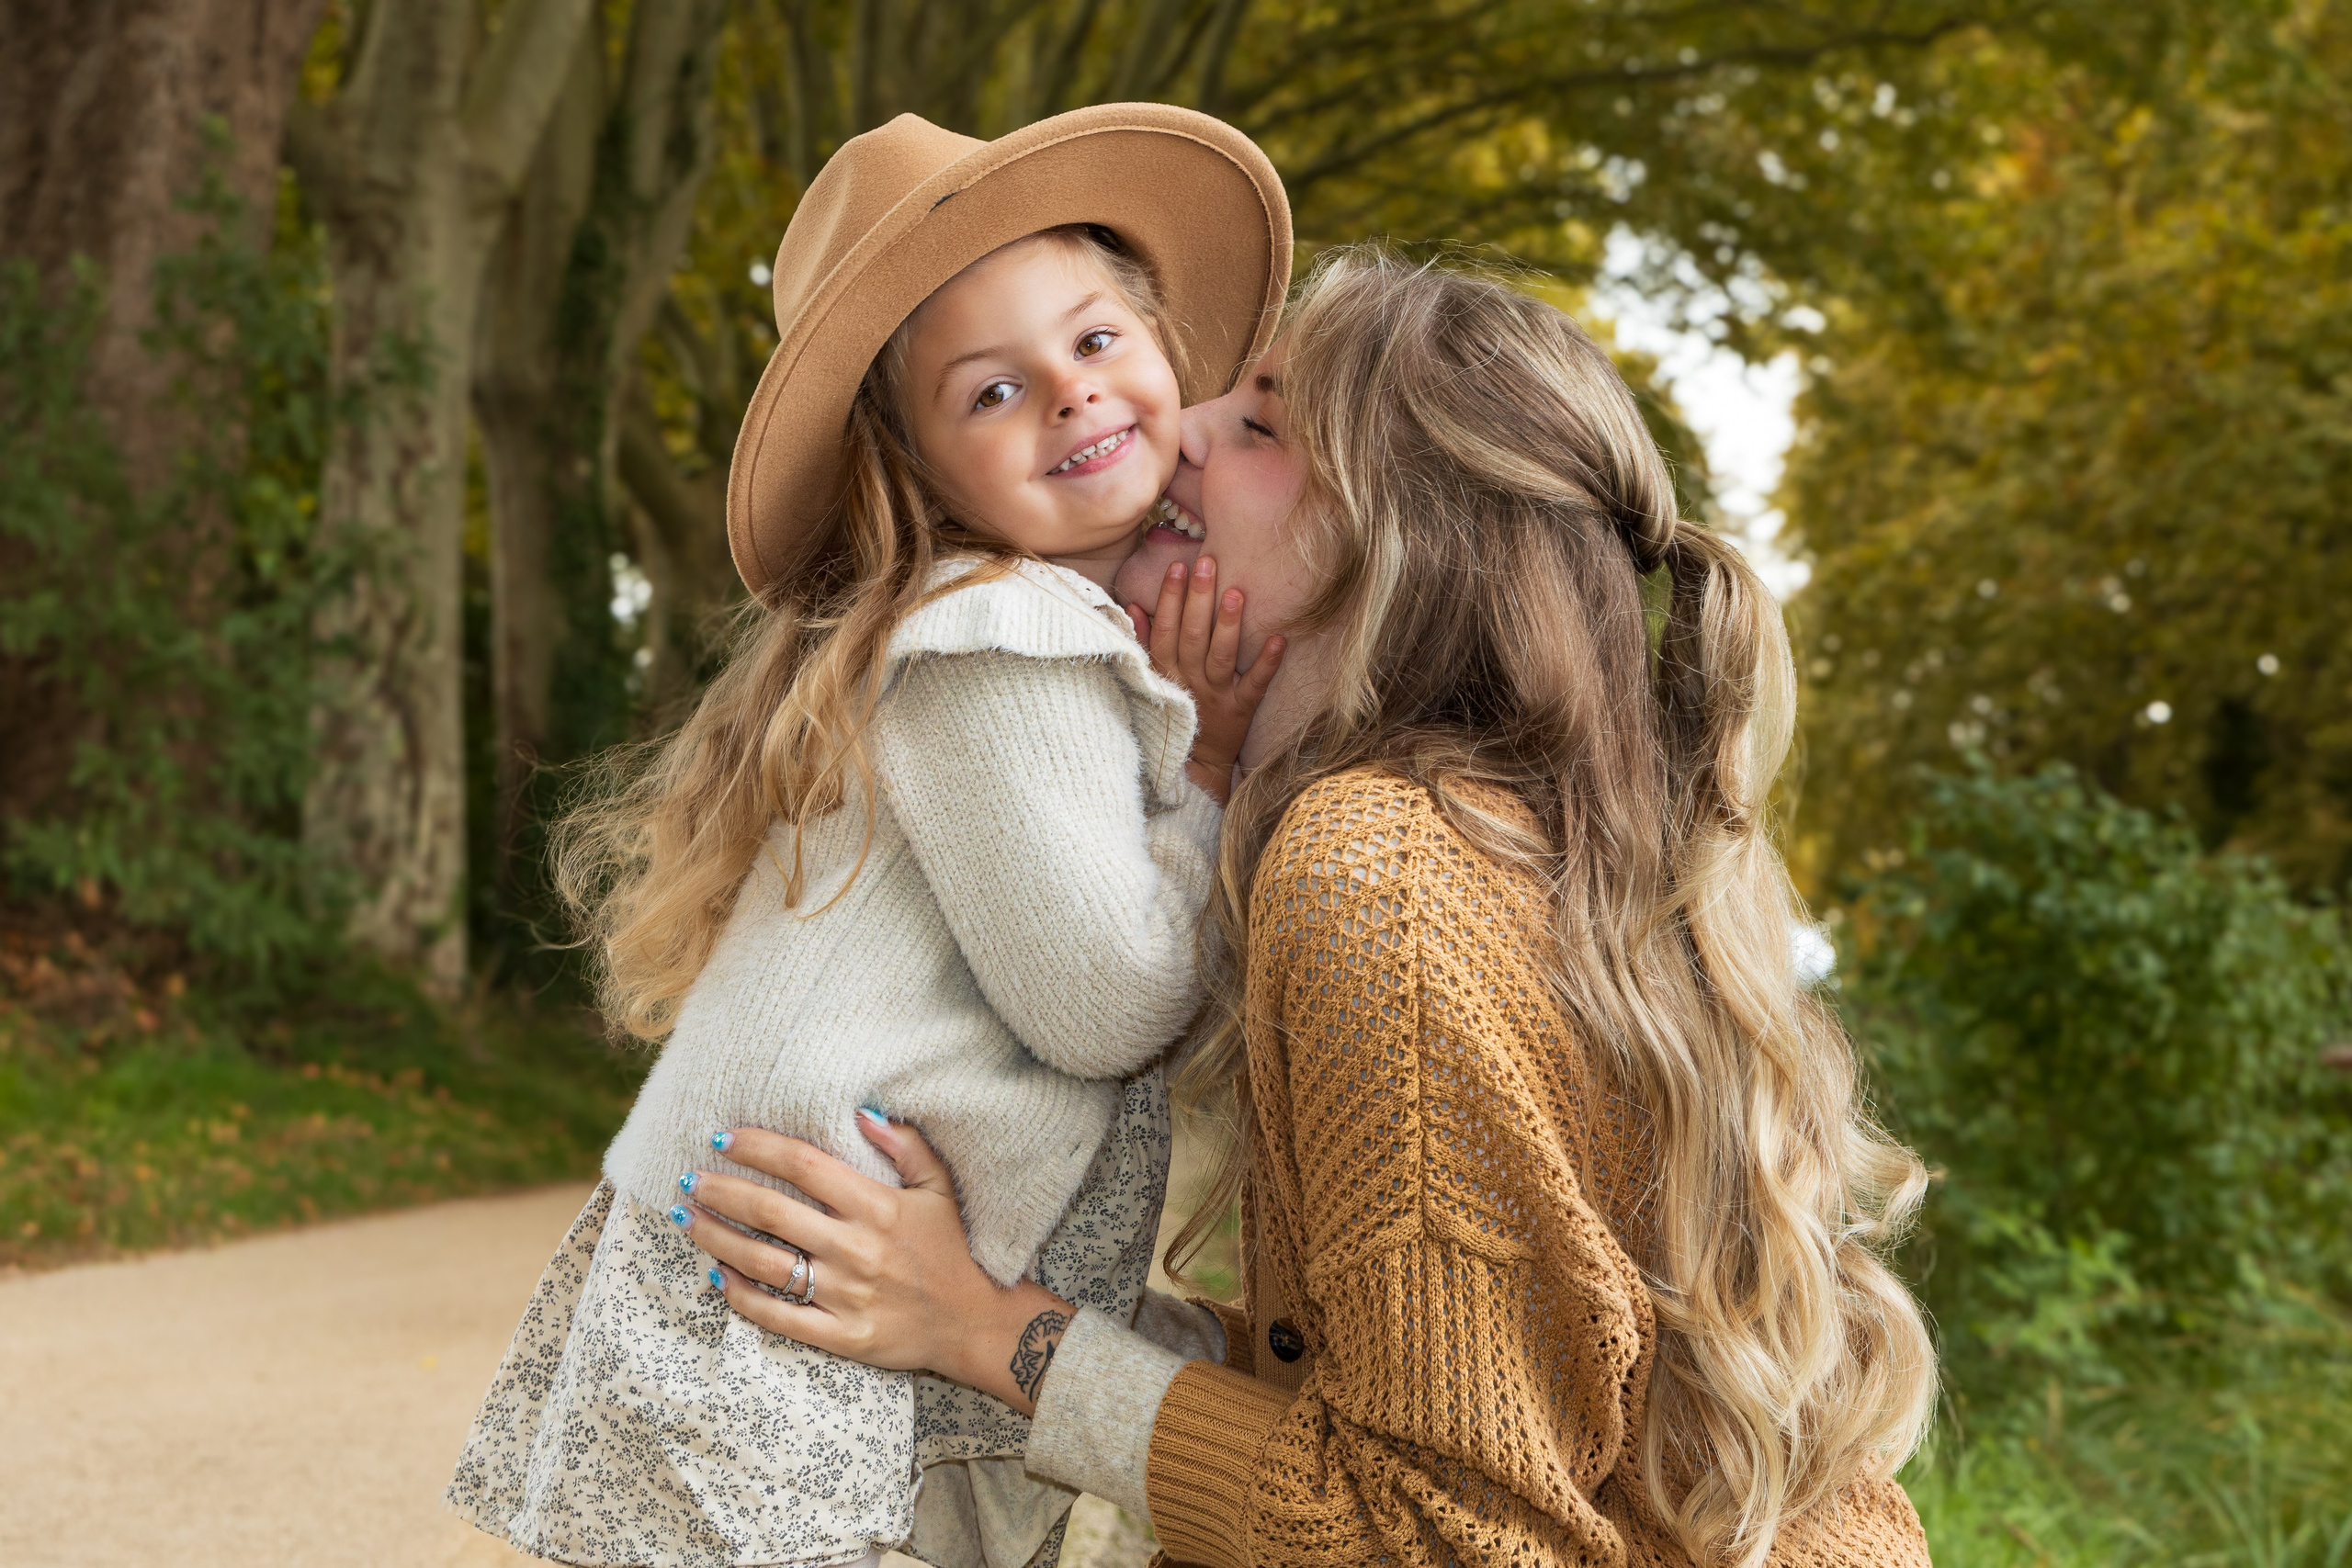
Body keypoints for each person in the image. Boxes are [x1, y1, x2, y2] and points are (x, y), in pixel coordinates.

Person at [673, 246, 1943, 1568]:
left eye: (1262, 422)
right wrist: (989, 1307)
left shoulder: (1375, 875)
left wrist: (992, 1336)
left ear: (1388, 539)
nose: (1179, 433)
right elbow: (1446, 1392)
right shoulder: (1511, 838)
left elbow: (1435, 1539)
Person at [446, 105, 1292, 1568]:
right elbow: (1104, 1008)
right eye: (992, 393)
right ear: (915, 467)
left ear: (1161, 341)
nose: (1071, 398)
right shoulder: (1002, 643)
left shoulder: (1028, 627)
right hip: (785, 1306)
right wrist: (1215, 759)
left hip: (796, 1284)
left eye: (1094, 343)